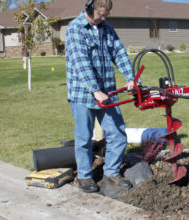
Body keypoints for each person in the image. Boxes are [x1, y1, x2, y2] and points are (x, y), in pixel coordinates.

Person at [65, 0, 134, 193]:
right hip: (83, 94)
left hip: (108, 93)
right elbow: (80, 63)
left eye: (106, 15)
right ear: (89, 9)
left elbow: (119, 52)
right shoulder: (75, 29)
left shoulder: (106, 28)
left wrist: (130, 77)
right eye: (101, 15)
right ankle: (85, 177)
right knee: (84, 138)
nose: (104, 18)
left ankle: (111, 173)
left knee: (118, 134)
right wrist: (95, 90)